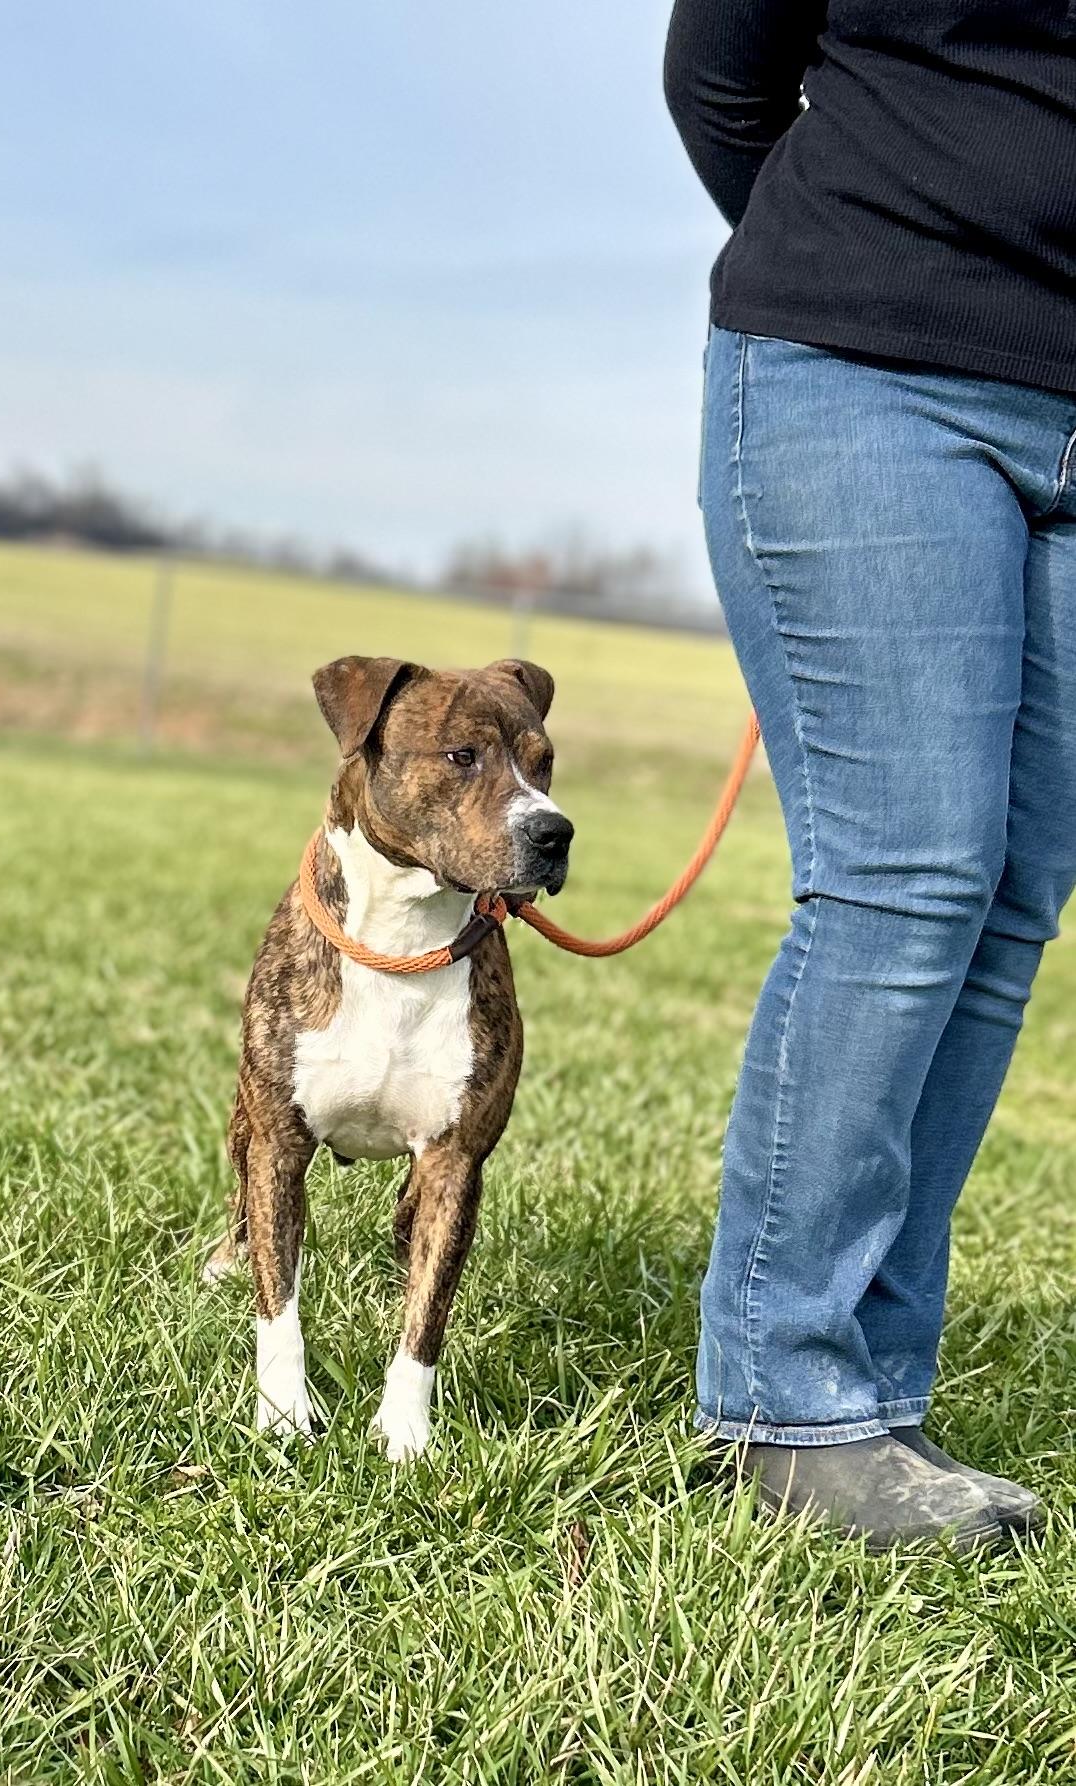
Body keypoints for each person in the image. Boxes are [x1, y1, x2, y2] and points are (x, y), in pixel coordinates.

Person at [664, 0, 1076, 1549]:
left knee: (1007, 904)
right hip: (870, 369)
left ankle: (876, 1393)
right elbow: (717, 70)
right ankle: (788, 1398)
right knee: (905, 880)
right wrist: (889, 267)